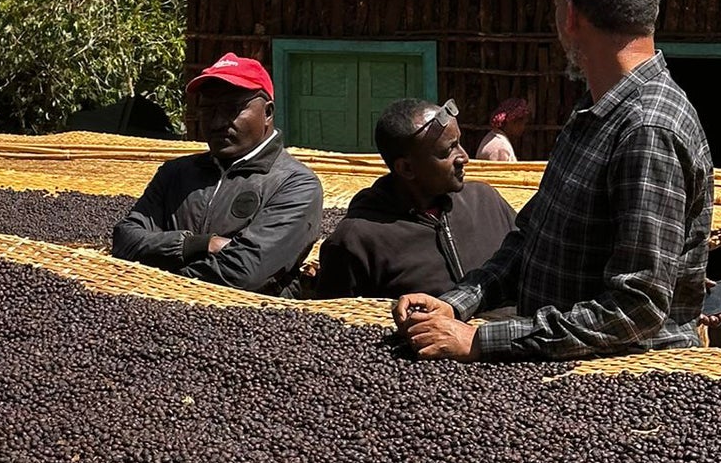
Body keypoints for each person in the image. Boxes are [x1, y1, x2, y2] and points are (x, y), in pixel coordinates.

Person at [395, 0, 713, 362]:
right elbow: (533, 237)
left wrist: (479, 340)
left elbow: (635, 309)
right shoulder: (595, 111)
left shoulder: (647, 129)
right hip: (560, 374)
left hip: (621, 387)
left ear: (571, 16)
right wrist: (459, 301)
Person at [112, 54, 323, 296]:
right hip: (161, 315)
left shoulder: (295, 185)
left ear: (267, 113)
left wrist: (161, 283)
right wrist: (199, 244)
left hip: (249, 321)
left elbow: (245, 271)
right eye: (208, 109)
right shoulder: (175, 174)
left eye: (232, 109)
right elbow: (125, 239)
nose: (217, 122)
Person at [316, 98, 517, 299]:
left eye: (459, 142)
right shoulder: (356, 240)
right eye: (448, 150)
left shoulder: (486, 201)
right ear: (406, 168)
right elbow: (338, 319)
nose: (464, 157)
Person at [476, 98, 531, 162]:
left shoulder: (492, 136)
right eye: (522, 123)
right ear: (512, 122)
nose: (523, 128)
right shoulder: (500, 148)